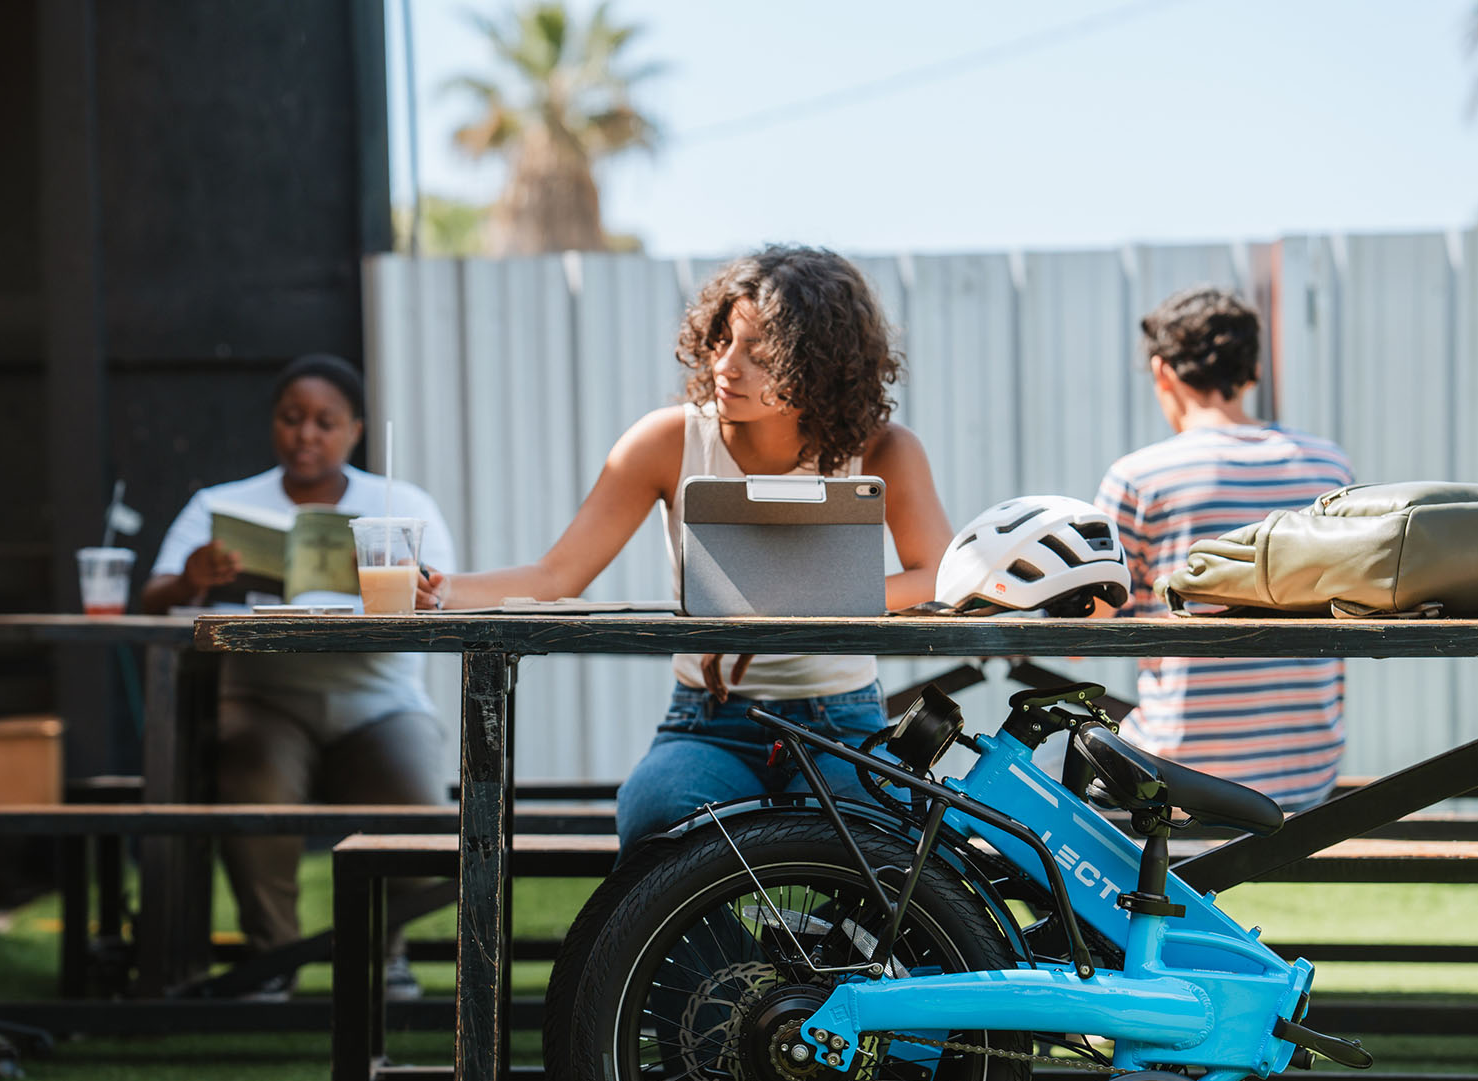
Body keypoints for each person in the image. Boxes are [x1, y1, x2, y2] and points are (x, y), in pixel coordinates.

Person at [416, 245, 955, 847]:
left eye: (757, 352)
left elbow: (940, 576)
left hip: (842, 720)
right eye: (722, 340)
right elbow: (556, 576)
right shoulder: (667, 441)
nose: (726, 366)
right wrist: (441, 590)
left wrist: (783, 606)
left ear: (820, 363)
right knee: (657, 813)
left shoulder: (885, 449)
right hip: (708, 721)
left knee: (885, 840)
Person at [142, 353, 458, 998]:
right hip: (264, 698)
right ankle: (273, 960)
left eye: (325, 421)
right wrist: (190, 580)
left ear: (355, 430)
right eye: (291, 418)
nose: (306, 434)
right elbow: (151, 600)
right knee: (251, 783)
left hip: (380, 700)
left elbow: (444, 601)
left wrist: (415, 590)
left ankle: (384, 953)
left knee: (419, 816)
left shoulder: (401, 505)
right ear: (272, 424)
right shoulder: (220, 506)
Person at [1092, 286, 1356, 810]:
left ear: (1163, 371)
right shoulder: (1329, 467)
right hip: (1307, 774)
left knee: (1055, 764)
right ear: (1252, 371)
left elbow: (1082, 630)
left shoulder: (1140, 478)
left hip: (1180, 774)